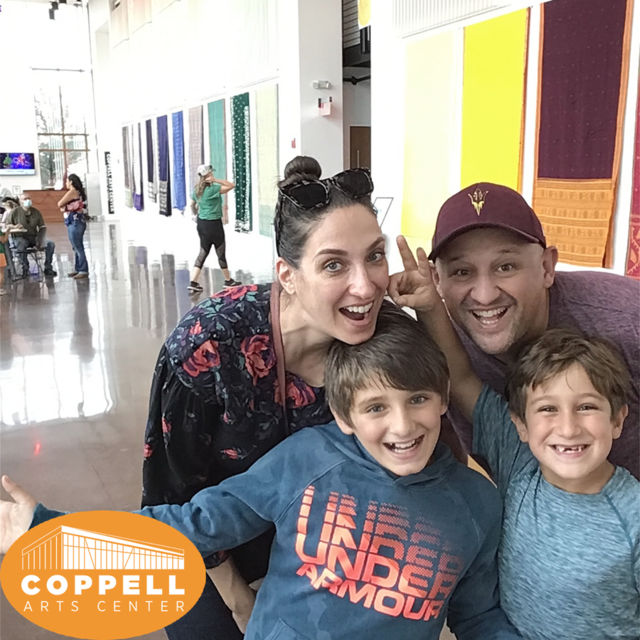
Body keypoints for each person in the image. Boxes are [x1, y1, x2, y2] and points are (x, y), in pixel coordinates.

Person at [0, 304, 522, 640]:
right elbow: (192, 527)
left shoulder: (475, 504)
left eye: (418, 400)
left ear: (443, 398)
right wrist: (49, 530)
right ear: (343, 416)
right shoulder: (307, 460)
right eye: (376, 408)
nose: (403, 425)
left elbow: (477, 616)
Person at [142, 156, 393, 638]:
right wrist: (241, 603)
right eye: (334, 264)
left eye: (375, 256)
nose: (365, 285)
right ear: (288, 275)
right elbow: (171, 490)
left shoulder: (383, 336)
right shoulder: (211, 343)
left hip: (320, 558)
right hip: (205, 555)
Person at [391, 243, 639, 639]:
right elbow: (459, 376)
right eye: (548, 409)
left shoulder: (634, 518)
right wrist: (430, 305)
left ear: (618, 419)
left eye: (587, 407)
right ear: (520, 425)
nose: (568, 428)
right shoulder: (517, 458)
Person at [427, 182, 640, 479]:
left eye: (506, 267)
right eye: (462, 272)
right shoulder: (438, 349)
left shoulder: (629, 319)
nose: (485, 296)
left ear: (546, 267)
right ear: (437, 280)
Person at [188, 164, 240, 293]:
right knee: (220, 251)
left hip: (202, 224)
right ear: (208, 175)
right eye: (211, 173)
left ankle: (193, 282)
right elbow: (231, 185)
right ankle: (228, 281)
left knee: (203, 251)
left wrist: (195, 214)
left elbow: (192, 205)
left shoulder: (196, 190)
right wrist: (216, 180)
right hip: (214, 224)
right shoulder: (214, 189)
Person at [5, 194, 56, 278]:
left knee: (50, 244)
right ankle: (25, 268)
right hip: (19, 237)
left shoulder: (36, 212)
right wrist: (15, 226)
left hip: (33, 237)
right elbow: (7, 225)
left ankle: (48, 267)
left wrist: (40, 239)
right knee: (21, 243)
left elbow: (42, 227)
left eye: (29, 198)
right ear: (20, 201)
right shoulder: (15, 212)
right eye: (25, 199)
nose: (27, 200)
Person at [57, 173, 89, 279]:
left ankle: (83, 270)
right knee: (76, 246)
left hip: (75, 222)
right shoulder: (79, 192)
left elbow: (59, 203)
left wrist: (64, 207)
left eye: (67, 181)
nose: (66, 183)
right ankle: (78, 268)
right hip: (78, 221)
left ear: (71, 182)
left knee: (78, 247)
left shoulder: (72, 192)